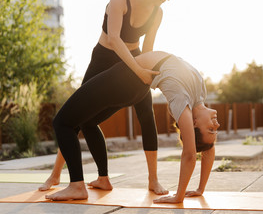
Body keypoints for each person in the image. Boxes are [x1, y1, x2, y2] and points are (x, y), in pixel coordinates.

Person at [38, 0, 178, 195]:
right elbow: (114, 38)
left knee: (146, 115)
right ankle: (56, 174)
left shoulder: (157, 12)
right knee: (76, 118)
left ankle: (152, 180)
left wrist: (149, 74)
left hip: (133, 61)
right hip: (104, 59)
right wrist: (138, 69)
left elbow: (148, 48)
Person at [45, 51, 220, 203]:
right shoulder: (199, 94)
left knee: (62, 122)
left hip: (125, 80)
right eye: (215, 129)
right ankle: (103, 179)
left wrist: (179, 196)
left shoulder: (180, 101)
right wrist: (200, 189)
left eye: (211, 129)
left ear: (194, 123)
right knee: (88, 122)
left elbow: (190, 154)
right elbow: (208, 150)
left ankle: (77, 185)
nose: (217, 124)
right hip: (134, 86)